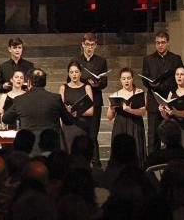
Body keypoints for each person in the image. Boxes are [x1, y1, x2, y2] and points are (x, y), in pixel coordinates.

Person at [2, 68, 74, 152]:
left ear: (28, 82)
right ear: (45, 82)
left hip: (29, 148)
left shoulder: (19, 100)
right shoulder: (55, 98)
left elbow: (6, 119)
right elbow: (68, 121)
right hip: (51, 148)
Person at [142, 31, 183, 153]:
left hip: (171, 100)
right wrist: (150, 83)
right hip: (154, 100)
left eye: (163, 42)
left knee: (172, 134)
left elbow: (180, 78)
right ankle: (152, 165)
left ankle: (171, 162)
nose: (160, 45)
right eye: (158, 43)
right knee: (153, 135)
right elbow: (144, 79)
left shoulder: (176, 59)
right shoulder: (148, 59)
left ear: (168, 43)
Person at [77, 33, 109, 166]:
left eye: (92, 45)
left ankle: (96, 162)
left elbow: (105, 82)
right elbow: (70, 80)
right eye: (87, 45)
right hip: (81, 100)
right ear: (83, 45)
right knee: (81, 133)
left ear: (95, 46)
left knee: (93, 133)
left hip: (95, 99)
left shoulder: (101, 61)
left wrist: (97, 84)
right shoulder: (76, 61)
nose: (89, 48)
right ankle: (81, 161)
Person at [106, 67, 147, 166]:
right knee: (120, 151)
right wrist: (111, 108)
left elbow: (142, 112)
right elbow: (109, 117)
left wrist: (130, 110)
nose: (126, 81)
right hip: (120, 125)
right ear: (120, 80)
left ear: (132, 79)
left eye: (128, 78)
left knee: (136, 149)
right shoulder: (116, 95)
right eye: (124, 79)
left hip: (135, 124)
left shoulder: (139, 92)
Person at [157, 66, 184, 155]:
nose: (179, 76)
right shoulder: (171, 92)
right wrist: (162, 111)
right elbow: (167, 116)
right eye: (177, 74)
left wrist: (176, 112)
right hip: (173, 130)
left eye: (182, 74)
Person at [59, 61, 96, 154]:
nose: (74, 74)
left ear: (80, 73)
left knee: (81, 153)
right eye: (71, 72)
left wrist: (75, 112)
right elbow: (60, 108)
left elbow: (91, 111)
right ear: (68, 74)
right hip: (68, 125)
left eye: (76, 72)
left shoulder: (87, 87)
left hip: (82, 125)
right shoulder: (63, 87)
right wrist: (67, 111)